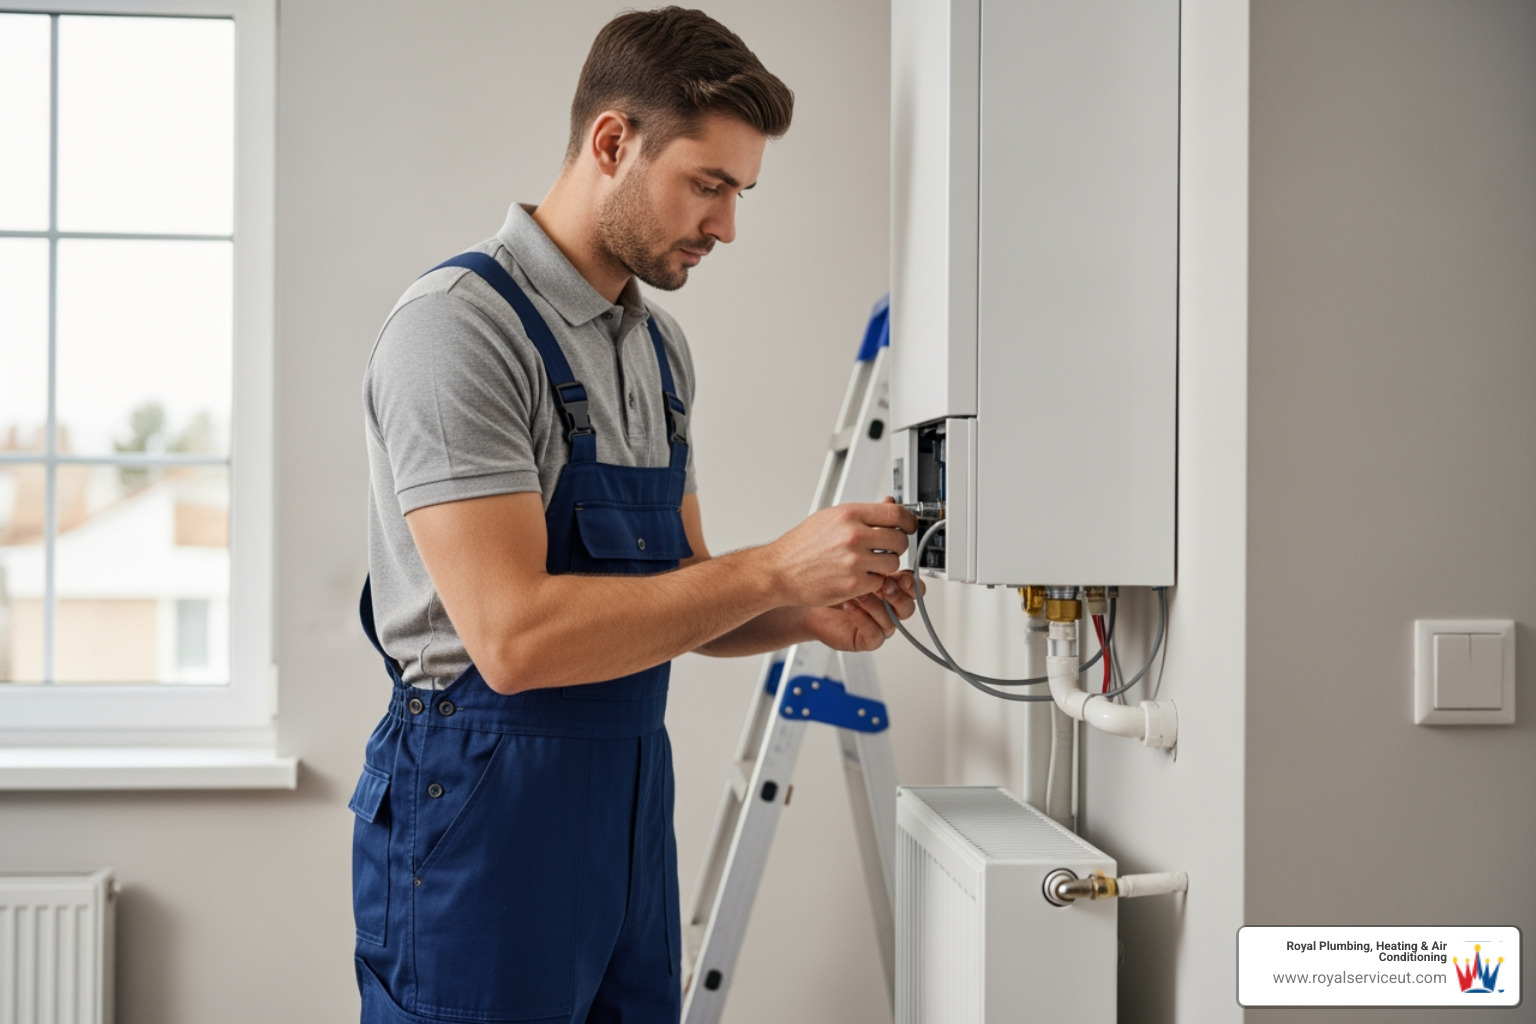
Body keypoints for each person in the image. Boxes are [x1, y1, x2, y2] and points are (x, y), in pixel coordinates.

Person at [350, 8, 918, 1023]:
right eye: (708, 184)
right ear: (612, 143)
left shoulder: (659, 355)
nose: (726, 226)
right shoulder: (459, 332)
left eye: (740, 193)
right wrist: (778, 570)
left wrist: (808, 610)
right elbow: (514, 639)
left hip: (623, 807)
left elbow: (680, 597)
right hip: (474, 809)